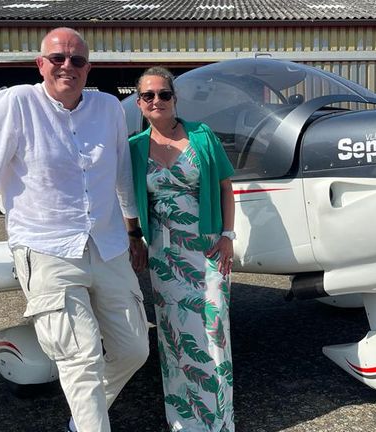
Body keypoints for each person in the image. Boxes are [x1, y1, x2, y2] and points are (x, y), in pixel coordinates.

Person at [0, 27, 149, 432]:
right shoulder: (15, 104)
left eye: (77, 60)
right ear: (41, 64)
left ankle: (83, 420)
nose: (67, 66)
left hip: (106, 246)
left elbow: (122, 174)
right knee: (81, 357)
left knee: (134, 348)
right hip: (47, 249)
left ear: (88, 68)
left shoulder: (108, 108)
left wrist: (132, 231)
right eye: (57, 58)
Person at [129, 67, 236, 431]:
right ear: (140, 102)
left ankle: (220, 420)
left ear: (175, 98)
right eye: (148, 96)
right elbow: (123, 197)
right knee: (175, 338)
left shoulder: (203, 137)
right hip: (164, 253)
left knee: (213, 328)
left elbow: (225, 187)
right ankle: (185, 423)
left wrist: (228, 235)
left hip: (208, 248)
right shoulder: (134, 148)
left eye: (163, 94)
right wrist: (133, 238)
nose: (156, 101)